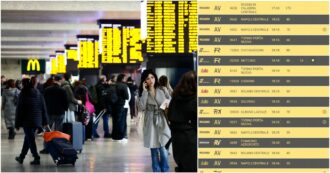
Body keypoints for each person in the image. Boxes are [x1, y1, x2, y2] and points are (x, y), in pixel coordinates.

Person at [138, 69, 171, 172]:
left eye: (152, 77)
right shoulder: (144, 92)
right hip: (150, 121)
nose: (151, 80)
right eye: (148, 78)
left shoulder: (162, 89)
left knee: (163, 149)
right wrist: (144, 92)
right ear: (144, 81)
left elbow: (169, 103)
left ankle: (165, 170)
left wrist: (163, 105)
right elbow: (141, 107)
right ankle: (156, 170)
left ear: (155, 78)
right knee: (154, 150)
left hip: (161, 120)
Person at [15, 78, 49, 165]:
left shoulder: (23, 94)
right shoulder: (38, 93)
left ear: (23, 84)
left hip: (27, 121)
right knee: (28, 138)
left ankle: (36, 157)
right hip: (37, 120)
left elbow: (19, 110)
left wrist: (17, 123)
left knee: (30, 139)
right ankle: (21, 157)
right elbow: (43, 108)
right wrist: (45, 121)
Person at [168, 71, 197, 172]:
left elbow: (170, 115)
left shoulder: (175, 97)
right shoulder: (195, 99)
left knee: (182, 166)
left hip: (176, 137)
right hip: (191, 137)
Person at [111, 74, 129, 141]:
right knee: (121, 121)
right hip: (121, 105)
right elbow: (126, 97)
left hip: (113, 105)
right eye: (125, 78)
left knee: (115, 120)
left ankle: (114, 136)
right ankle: (120, 136)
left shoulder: (113, 85)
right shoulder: (124, 86)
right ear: (122, 78)